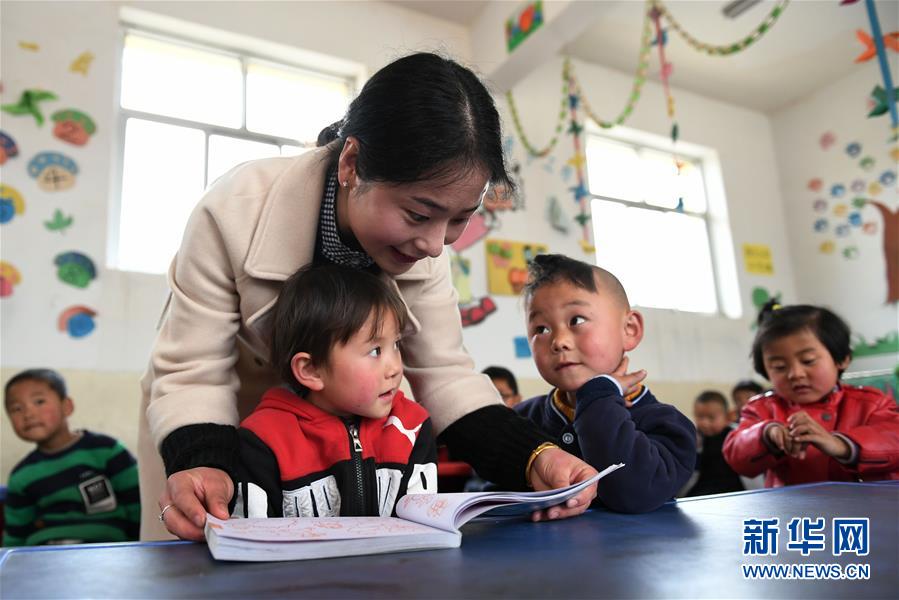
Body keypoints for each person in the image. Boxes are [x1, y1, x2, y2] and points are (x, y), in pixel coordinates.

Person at [140, 52, 598, 541]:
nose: (434, 243)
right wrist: (204, 463)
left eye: (460, 218)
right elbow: (193, 370)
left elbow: (444, 374)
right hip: (230, 428)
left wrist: (535, 456)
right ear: (352, 164)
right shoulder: (233, 211)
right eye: (419, 214)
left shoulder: (427, 249)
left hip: (355, 446)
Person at [229, 264, 436, 518]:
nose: (394, 367)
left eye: (396, 344)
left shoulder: (412, 427)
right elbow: (251, 542)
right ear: (312, 370)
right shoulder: (262, 441)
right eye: (375, 351)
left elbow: (423, 529)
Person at [514, 254, 696, 513]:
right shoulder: (520, 420)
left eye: (576, 320)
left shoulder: (668, 425)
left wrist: (598, 396)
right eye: (541, 329)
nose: (559, 341)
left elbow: (634, 495)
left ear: (629, 329)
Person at [723, 301, 899, 487]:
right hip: (791, 513)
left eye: (808, 361)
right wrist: (766, 434)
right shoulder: (761, 408)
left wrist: (841, 445)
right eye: (779, 367)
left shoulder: (871, 403)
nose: (795, 374)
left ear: (842, 359)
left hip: (864, 510)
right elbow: (736, 456)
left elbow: (893, 438)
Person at [3, 369, 140, 546]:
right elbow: (15, 537)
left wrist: (137, 550)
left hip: (107, 552)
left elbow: (139, 506)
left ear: (67, 406)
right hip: (44, 558)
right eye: (17, 408)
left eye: (39, 402)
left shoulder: (107, 451)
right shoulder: (21, 476)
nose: (28, 414)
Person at [683, 391, 744, 497]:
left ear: (728, 417)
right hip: (700, 493)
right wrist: (695, 449)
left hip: (734, 492)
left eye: (711, 418)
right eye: (699, 417)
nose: (704, 423)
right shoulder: (694, 438)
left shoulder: (738, 436)